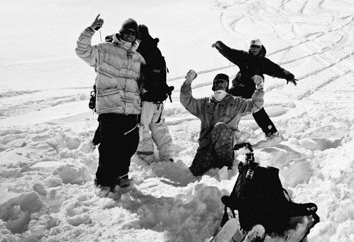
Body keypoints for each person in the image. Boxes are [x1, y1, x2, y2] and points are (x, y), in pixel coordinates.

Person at [75, 15, 144, 193]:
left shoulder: (137, 57)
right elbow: (82, 51)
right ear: (121, 33)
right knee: (109, 148)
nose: (130, 36)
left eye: (133, 34)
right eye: (127, 33)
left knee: (130, 144)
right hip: (110, 107)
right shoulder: (105, 50)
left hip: (131, 110)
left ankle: (121, 174)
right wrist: (91, 30)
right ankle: (104, 181)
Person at [180, 70, 265, 176]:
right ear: (213, 86)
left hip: (225, 149)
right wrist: (187, 83)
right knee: (194, 173)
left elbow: (255, 105)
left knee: (220, 127)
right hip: (207, 147)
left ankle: (225, 167)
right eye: (218, 84)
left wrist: (259, 88)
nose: (220, 87)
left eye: (223, 84)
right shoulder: (204, 104)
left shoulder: (236, 103)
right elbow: (187, 101)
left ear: (227, 87)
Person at [211, 39, 297, 138]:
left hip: (251, 90)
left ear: (260, 48)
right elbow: (230, 53)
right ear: (250, 47)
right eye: (253, 46)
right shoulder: (244, 57)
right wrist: (220, 46)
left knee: (257, 110)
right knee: (225, 103)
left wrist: (288, 76)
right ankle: (219, 129)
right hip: (238, 87)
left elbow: (276, 69)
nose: (255, 49)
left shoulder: (263, 62)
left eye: (257, 47)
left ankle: (271, 132)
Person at [135, 24, 175, 163]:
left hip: (145, 98)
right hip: (159, 97)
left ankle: (147, 157)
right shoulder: (155, 49)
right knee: (159, 127)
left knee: (143, 127)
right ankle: (167, 154)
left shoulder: (139, 51)